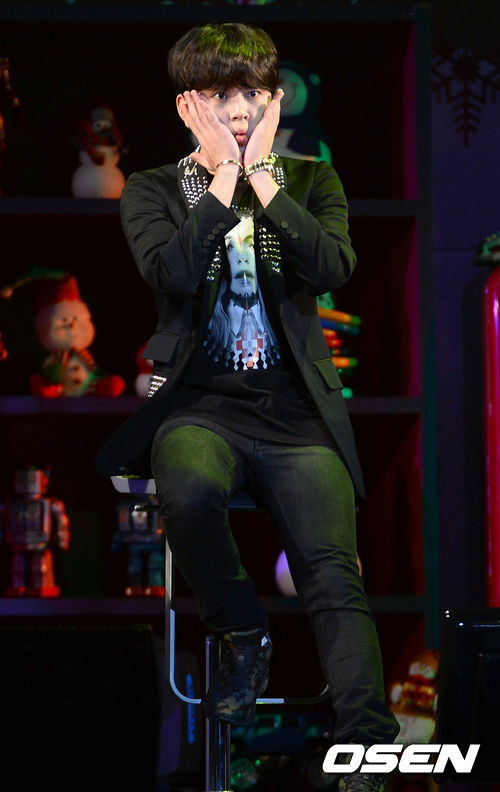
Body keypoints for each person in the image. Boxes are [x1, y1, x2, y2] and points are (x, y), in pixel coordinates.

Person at [96, 22, 399, 791]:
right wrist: (222, 181)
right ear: (188, 106)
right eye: (220, 95)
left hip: (296, 411)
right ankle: (239, 627)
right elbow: (170, 274)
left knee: (333, 572)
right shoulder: (155, 189)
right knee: (187, 486)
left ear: (273, 101)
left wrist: (262, 178)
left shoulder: (309, 181)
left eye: (253, 95)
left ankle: (369, 747)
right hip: (201, 404)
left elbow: (332, 265)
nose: (238, 110)